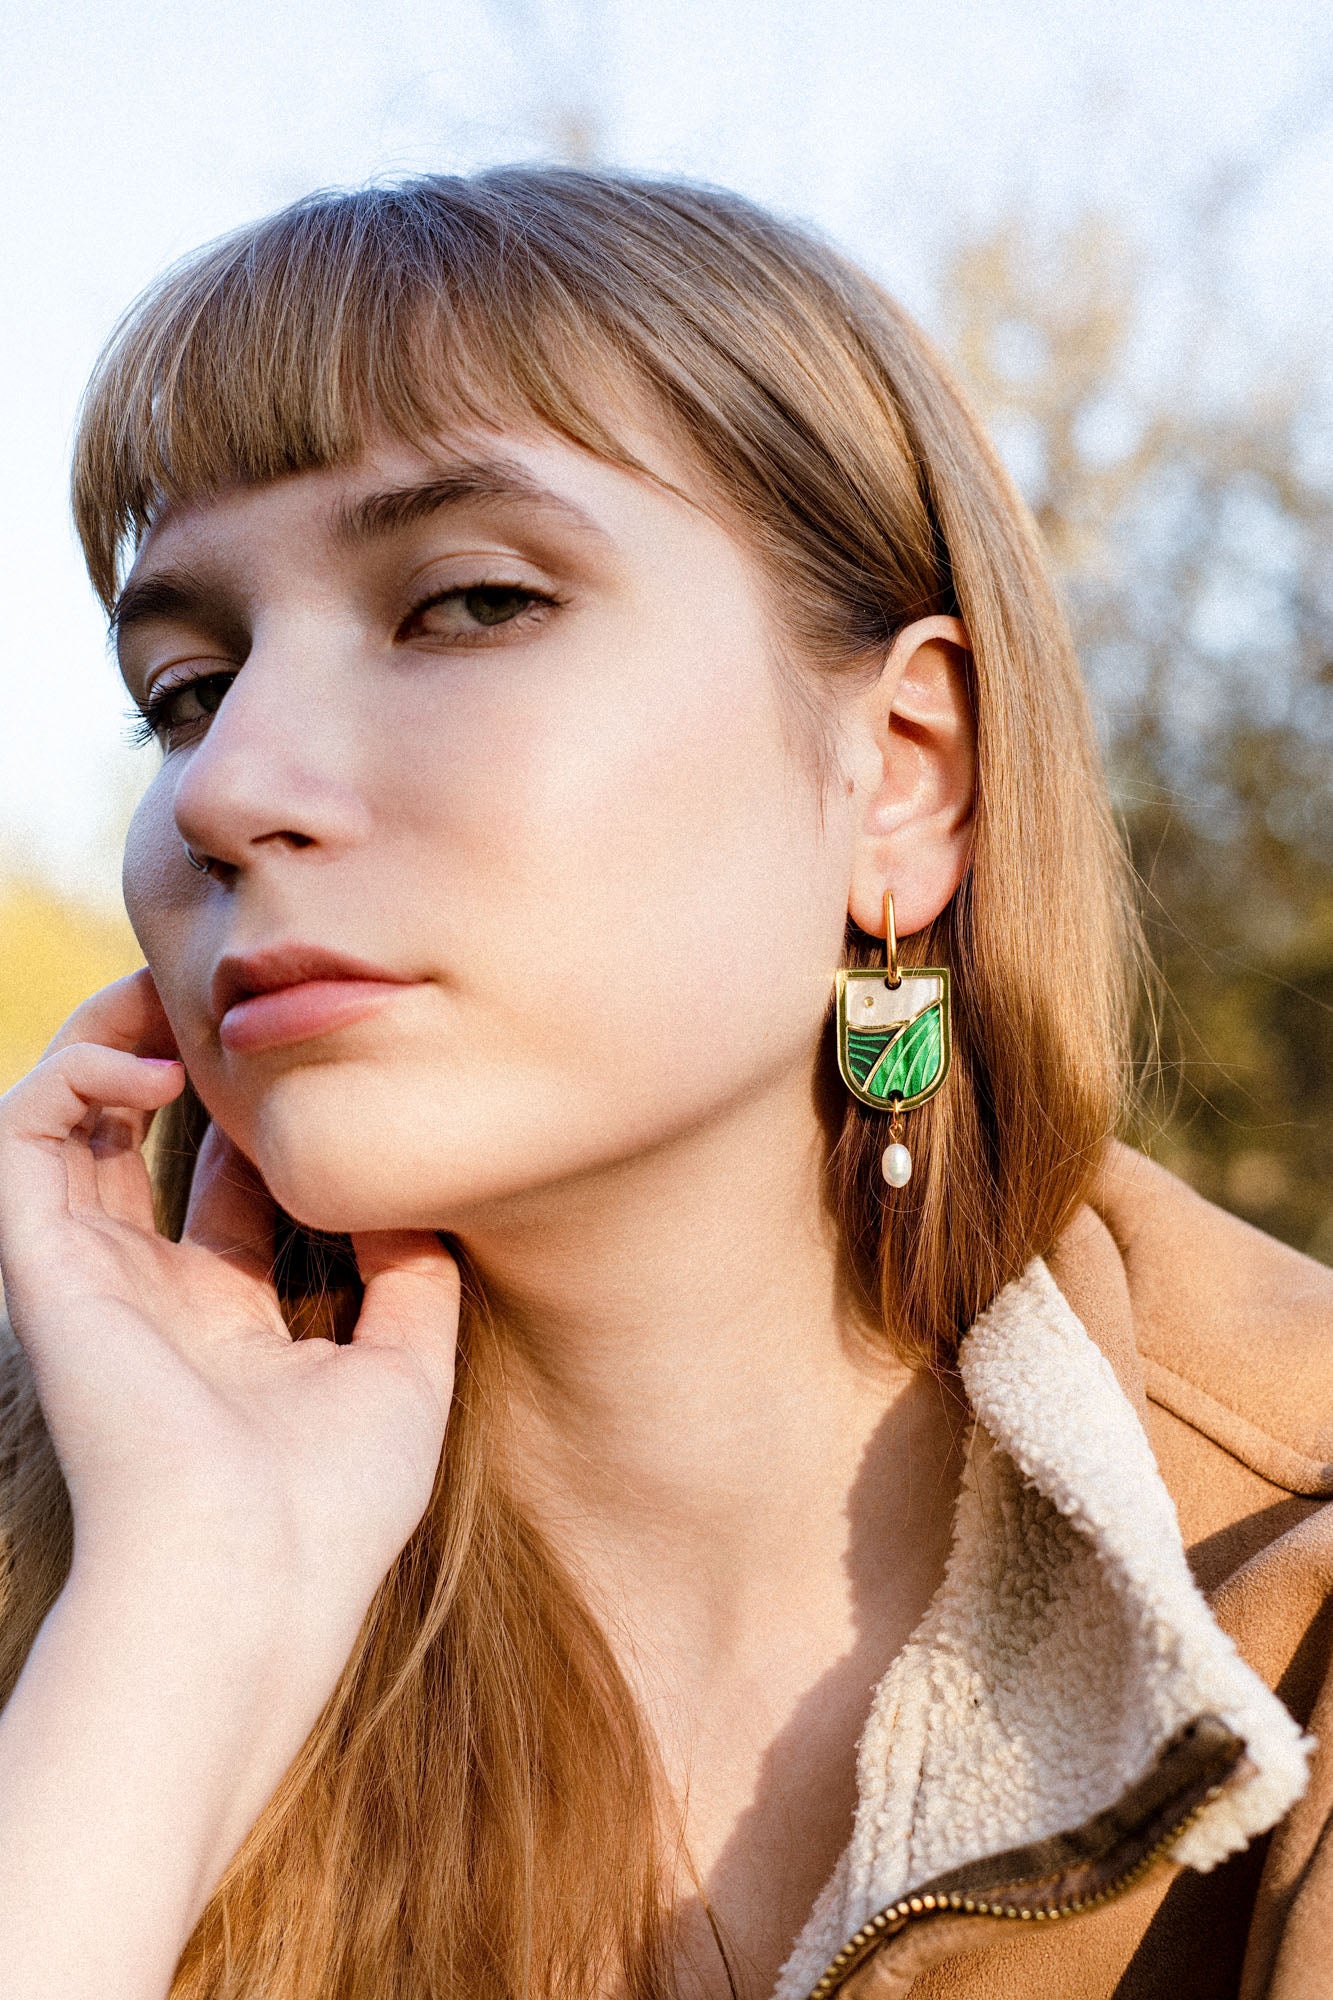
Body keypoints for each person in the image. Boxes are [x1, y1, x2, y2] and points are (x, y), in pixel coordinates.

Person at [0, 168, 1328, 2000]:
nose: (228, 790)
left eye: (464, 602)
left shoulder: (1296, 1593)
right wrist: (174, 1626)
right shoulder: (63, 1563)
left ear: (902, 777)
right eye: (184, 685)